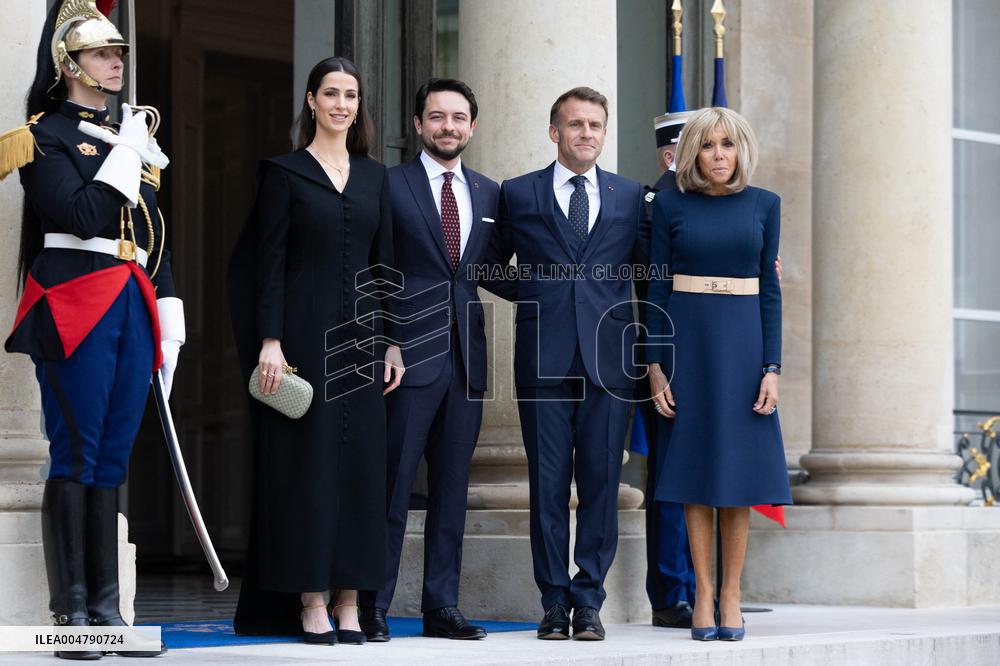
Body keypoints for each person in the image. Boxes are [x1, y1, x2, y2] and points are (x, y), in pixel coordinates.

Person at [0, 0, 179, 659]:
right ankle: (71, 613)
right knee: (76, 451)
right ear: (70, 65)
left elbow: (155, 236)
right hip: (75, 300)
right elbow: (78, 213)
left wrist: (171, 313)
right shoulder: (42, 136)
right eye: (104, 53)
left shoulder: (129, 139)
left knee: (113, 457)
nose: (117, 62)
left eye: (120, 54)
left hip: (131, 300)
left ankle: (108, 613)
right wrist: (124, 154)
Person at [227, 56, 404, 646]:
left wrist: (394, 341)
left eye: (351, 95)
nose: (341, 104)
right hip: (300, 341)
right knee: (305, 471)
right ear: (310, 101)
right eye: (330, 93)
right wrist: (269, 341)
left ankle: (350, 598)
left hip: (362, 343)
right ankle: (310, 600)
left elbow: (385, 268)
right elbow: (266, 264)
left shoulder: (378, 177)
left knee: (360, 473)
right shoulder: (284, 173)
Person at [485, 87, 648, 642]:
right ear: (554, 132)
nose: (585, 134)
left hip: (610, 362)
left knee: (602, 482)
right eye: (574, 124)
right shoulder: (518, 194)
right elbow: (488, 266)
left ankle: (590, 600)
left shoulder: (630, 197)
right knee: (548, 483)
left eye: (595, 125)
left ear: (605, 133)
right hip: (543, 359)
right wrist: (542, 292)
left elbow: (648, 277)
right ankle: (553, 601)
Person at [644, 106, 792, 642]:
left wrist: (772, 368)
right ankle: (701, 592)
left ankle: (732, 593)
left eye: (727, 144)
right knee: (693, 473)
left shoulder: (765, 205)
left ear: (741, 149)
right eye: (707, 146)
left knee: (738, 476)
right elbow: (656, 288)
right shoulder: (669, 204)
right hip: (686, 342)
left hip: (745, 345)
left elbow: (771, 292)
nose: (718, 155)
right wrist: (656, 366)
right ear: (691, 153)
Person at [358, 79, 498, 642]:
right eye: (437, 116)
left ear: (472, 126)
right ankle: (373, 603)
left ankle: (442, 606)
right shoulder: (388, 185)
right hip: (405, 357)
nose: (448, 126)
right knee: (390, 485)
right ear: (418, 124)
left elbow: (493, 269)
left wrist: (574, 281)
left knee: (451, 491)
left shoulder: (489, 193)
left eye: (459, 117)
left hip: (466, 359)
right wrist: (385, 339)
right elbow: (370, 269)